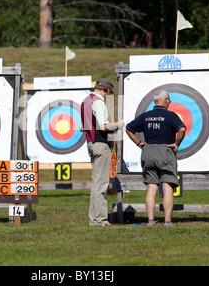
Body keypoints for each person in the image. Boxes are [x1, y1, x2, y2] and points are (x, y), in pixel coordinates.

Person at [125, 90, 186, 227]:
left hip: (148, 151)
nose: (169, 102)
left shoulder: (145, 116)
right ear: (165, 100)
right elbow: (182, 129)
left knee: (151, 188)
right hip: (165, 151)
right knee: (167, 187)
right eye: (169, 100)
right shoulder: (171, 116)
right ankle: (168, 221)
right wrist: (176, 144)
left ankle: (150, 221)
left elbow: (128, 128)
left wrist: (139, 143)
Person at [80, 78, 124, 226]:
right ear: (105, 90)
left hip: (91, 143)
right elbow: (103, 126)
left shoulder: (86, 101)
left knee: (96, 182)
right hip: (101, 143)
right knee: (101, 184)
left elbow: (82, 127)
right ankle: (99, 220)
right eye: (108, 93)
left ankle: (94, 219)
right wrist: (118, 125)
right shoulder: (98, 102)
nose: (108, 96)